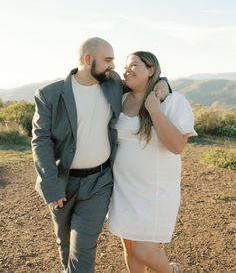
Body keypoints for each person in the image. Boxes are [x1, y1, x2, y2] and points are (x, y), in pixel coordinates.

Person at [31, 37, 170, 273]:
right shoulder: (49, 94)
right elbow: (40, 141)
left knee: (83, 248)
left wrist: (165, 83)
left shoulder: (112, 83)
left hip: (100, 182)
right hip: (62, 183)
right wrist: (51, 185)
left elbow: (145, 81)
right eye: (108, 60)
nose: (113, 66)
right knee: (64, 245)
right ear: (88, 60)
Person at [108, 51, 197, 273]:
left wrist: (155, 110)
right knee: (130, 250)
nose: (127, 69)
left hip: (154, 192)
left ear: (151, 70)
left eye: (134, 65)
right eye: (126, 65)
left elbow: (176, 146)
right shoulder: (119, 99)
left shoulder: (173, 101)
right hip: (122, 188)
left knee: (144, 251)